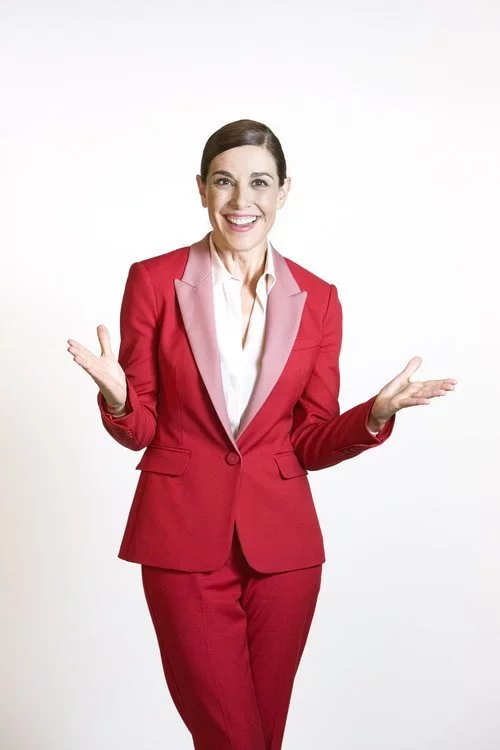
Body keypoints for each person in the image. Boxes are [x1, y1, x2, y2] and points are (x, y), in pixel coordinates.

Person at [67, 119, 457, 750]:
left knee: (262, 736)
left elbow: (310, 440)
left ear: (283, 192)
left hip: (285, 552)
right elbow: (141, 430)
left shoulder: (319, 299)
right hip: (182, 539)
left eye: (259, 183)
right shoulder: (154, 281)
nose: (241, 200)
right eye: (224, 181)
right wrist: (117, 396)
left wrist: (374, 414)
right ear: (201, 189)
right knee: (232, 736)